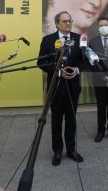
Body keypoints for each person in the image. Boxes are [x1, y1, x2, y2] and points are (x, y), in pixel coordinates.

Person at [37, 11, 85, 166]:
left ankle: (71, 149)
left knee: (71, 119)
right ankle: (57, 151)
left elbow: (85, 60)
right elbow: (41, 63)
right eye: (65, 21)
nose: (68, 23)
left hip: (73, 86)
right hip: (55, 87)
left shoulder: (79, 39)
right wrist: (58, 71)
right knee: (56, 120)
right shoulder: (48, 40)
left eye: (70, 20)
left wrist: (77, 70)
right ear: (57, 23)